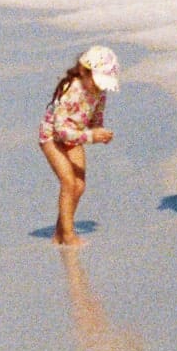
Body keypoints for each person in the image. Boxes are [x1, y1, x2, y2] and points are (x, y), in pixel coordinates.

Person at [38, 45, 119, 247]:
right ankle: (68, 234)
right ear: (84, 71)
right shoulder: (71, 90)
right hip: (52, 137)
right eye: (97, 82)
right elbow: (60, 130)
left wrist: (100, 132)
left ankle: (60, 232)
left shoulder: (99, 93)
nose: (99, 89)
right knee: (68, 182)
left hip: (76, 136)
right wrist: (91, 136)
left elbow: (95, 119)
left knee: (79, 186)